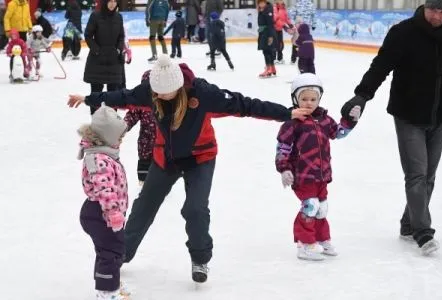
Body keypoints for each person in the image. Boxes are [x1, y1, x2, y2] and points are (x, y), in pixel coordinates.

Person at [68, 54, 310, 283]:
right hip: (167, 158)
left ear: (179, 84)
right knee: (144, 206)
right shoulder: (150, 91)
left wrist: (286, 113)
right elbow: (123, 96)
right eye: (157, 93)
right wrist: (89, 98)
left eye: (166, 92)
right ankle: (122, 252)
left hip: (200, 157)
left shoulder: (203, 94)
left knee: (195, 209)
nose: (161, 97)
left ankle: (200, 258)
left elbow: (244, 105)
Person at [340, 0, 442, 256]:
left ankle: (408, 224)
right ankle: (423, 232)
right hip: (408, 114)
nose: (438, 15)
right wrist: (362, 95)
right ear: (424, 7)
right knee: (417, 174)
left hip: (440, 116)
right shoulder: (403, 32)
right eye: (434, 9)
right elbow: (381, 66)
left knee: (429, 177)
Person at [276, 73, 360, 261]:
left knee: (322, 208)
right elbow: (282, 149)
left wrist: (350, 121)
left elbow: (338, 133)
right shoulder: (292, 123)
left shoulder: (324, 120)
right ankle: (305, 244)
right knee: (310, 206)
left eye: (313, 99)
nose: (309, 102)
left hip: (321, 175)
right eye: (304, 98)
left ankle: (321, 239)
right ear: (295, 99)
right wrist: (285, 169)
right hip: (303, 175)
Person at [77, 104, 130, 300]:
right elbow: (104, 188)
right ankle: (107, 292)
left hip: (104, 212)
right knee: (110, 251)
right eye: (119, 137)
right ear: (107, 136)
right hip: (101, 212)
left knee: (111, 249)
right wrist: (113, 213)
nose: (121, 141)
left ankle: (110, 283)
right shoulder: (98, 158)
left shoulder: (103, 153)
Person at [84, 0, 125, 115]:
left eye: (115, 1)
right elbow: (88, 35)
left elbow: (121, 36)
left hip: (114, 60)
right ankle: (96, 121)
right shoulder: (95, 16)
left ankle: (112, 122)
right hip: (97, 61)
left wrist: (118, 49)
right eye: (110, 1)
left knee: (114, 95)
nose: (112, 4)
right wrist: (97, 50)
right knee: (96, 94)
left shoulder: (119, 17)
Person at [124, 70, 156, 186]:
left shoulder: (166, 101)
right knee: (144, 161)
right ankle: (143, 181)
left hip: (164, 142)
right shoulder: (141, 102)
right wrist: (123, 127)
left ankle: (160, 183)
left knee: (162, 163)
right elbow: (132, 115)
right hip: (145, 140)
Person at [257, 0, 276, 78]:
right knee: (268, 51)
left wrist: (270, 36)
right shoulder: (263, 10)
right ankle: (272, 68)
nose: (260, 4)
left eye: (262, 3)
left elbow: (270, 24)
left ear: (265, 3)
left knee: (266, 51)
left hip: (267, 33)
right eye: (259, 3)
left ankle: (269, 69)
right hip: (264, 33)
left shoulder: (268, 11)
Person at [272, 0, 291, 64]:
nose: (281, 1)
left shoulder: (283, 9)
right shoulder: (274, 8)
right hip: (274, 29)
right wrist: (284, 26)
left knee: (280, 44)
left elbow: (286, 18)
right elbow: (276, 19)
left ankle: (280, 58)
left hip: (280, 29)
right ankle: (273, 58)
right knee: (274, 44)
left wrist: (290, 24)